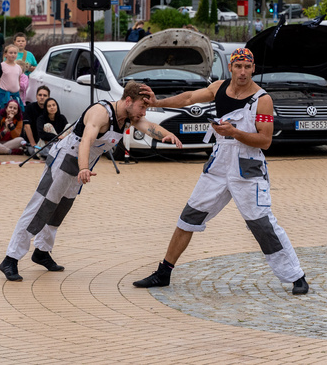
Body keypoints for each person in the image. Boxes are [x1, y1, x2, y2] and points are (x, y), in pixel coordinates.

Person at [132, 48, 309, 295]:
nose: (243, 72)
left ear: (253, 68)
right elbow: (188, 98)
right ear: (231, 68)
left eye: (247, 67)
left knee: (262, 225)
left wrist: (235, 133)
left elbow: (265, 141)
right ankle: (164, 272)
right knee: (188, 217)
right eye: (238, 66)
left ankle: (296, 276)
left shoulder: (262, 99)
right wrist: (157, 103)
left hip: (248, 168)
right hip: (218, 164)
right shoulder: (219, 87)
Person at [0, 81, 181, 282]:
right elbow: (86, 140)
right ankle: (11, 258)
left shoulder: (128, 116)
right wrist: (84, 167)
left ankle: (41, 251)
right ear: (128, 101)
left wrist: (168, 135)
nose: (144, 113)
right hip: (65, 161)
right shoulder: (100, 112)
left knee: (59, 210)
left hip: (80, 166)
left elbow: (149, 127)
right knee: (41, 206)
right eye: (142, 107)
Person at [0, 44, 25, 114]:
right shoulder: (2, 65)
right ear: (6, 54)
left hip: (15, 95)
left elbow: (18, 79)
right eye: (11, 53)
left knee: (15, 114)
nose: (13, 55)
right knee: (1, 113)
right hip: (4, 94)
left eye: (15, 53)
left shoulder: (18, 67)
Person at [23, 85, 50, 154]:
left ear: (48, 97)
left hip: (47, 142)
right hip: (33, 143)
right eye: (40, 95)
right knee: (35, 152)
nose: (42, 97)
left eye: (45, 95)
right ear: (36, 96)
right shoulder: (30, 107)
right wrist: (33, 144)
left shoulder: (51, 108)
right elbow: (27, 126)